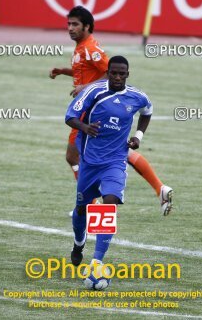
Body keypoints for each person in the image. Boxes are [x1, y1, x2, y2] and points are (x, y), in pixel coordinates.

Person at [50, 6, 173, 215]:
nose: (70, 28)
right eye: (68, 24)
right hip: (89, 110)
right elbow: (85, 73)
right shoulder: (82, 47)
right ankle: (159, 188)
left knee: (76, 156)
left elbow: (110, 73)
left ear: (87, 27)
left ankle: (91, 204)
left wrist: (85, 88)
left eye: (75, 24)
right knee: (110, 153)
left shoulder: (91, 49)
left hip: (93, 112)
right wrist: (64, 72)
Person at [65, 55, 153, 266]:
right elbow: (69, 116)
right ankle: (79, 243)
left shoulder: (137, 96)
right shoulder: (93, 92)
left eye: (121, 74)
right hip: (90, 162)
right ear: (108, 73)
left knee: (109, 203)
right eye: (113, 73)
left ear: (127, 74)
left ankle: (97, 263)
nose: (117, 77)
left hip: (115, 161)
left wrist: (138, 136)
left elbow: (147, 111)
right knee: (81, 210)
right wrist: (85, 127)